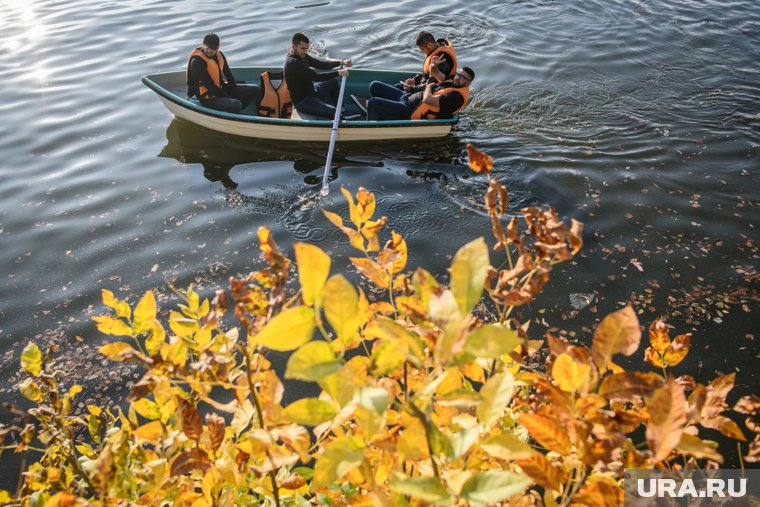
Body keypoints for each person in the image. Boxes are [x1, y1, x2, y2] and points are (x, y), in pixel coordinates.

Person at [360, 66, 474, 121]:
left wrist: (429, 86)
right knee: (374, 85)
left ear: (468, 83)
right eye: (458, 74)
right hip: (406, 97)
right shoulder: (452, 81)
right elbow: (437, 74)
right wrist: (433, 66)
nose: (458, 77)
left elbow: (428, 99)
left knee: (373, 103)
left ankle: (372, 124)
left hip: (407, 110)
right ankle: (379, 113)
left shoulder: (455, 97)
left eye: (462, 77)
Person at [283, 32, 353, 119]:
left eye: (307, 49)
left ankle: (342, 110)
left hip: (312, 91)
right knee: (335, 112)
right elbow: (317, 77)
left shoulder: (302, 55)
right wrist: (339, 72)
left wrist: (341, 62)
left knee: (333, 82)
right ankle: (340, 117)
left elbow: (321, 64)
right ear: (293, 46)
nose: (305, 52)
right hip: (304, 101)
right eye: (303, 48)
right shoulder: (293, 63)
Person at [186, 33, 260, 113]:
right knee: (236, 104)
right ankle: (234, 112)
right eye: (207, 47)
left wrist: (236, 94)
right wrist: (230, 98)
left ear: (218, 47)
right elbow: (211, 86)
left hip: (220, 89)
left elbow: (229, 77)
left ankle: (236, 109)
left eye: (213, 48)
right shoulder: (197, 62)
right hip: (207, 97)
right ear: (202, 45)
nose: (210, 51)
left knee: (256, 89)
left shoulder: (219, 55)